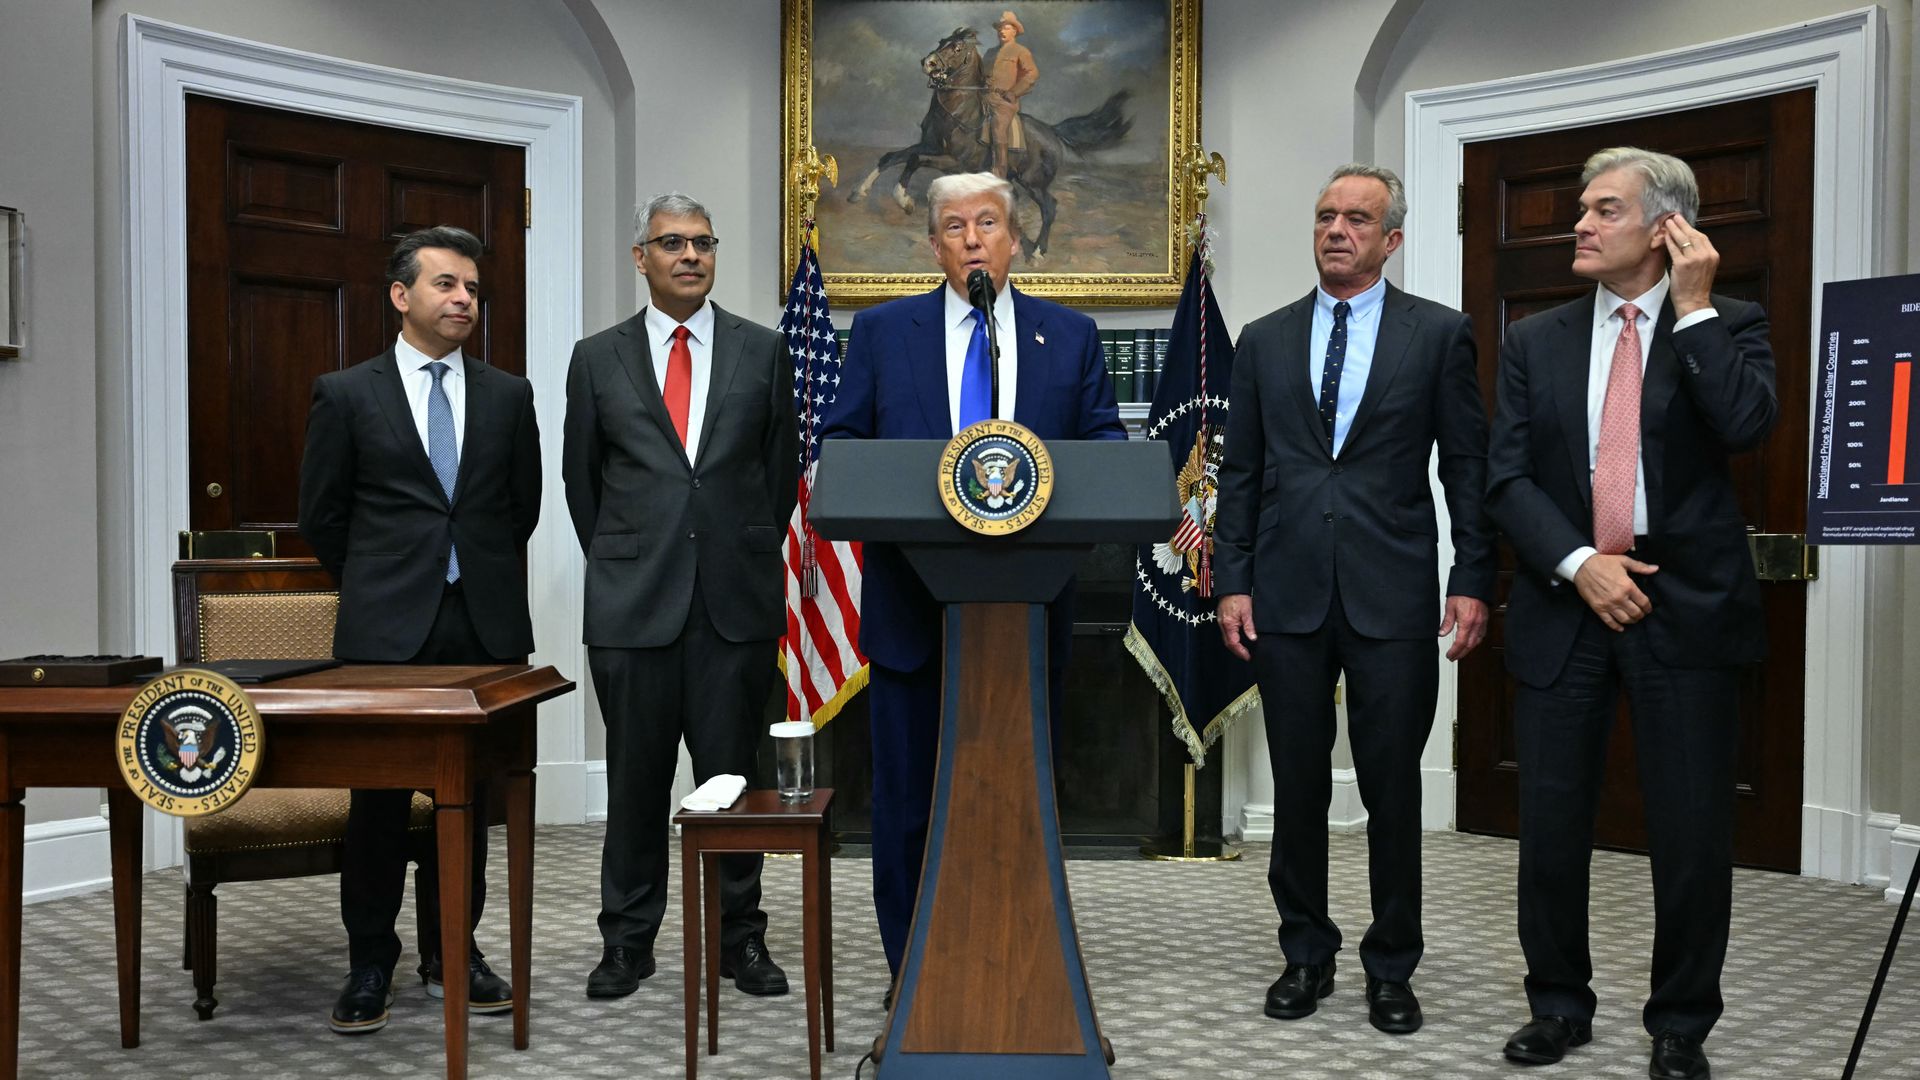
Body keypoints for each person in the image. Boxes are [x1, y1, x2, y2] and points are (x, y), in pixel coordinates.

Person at [1486, 147, 1774, 1080]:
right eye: (1581, 209)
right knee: (1553, 823)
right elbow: (1508, 479)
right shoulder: (1537, 339)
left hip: (1685, 609)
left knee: (1691, 831)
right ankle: (1558, 1007)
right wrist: (1579, 565)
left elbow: (1743, 426)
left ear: (1664, 229)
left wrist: (1691, 311)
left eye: (1603, 210)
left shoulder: (1730, 323)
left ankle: (1681, 1025)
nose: (1579, 223)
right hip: (1566, 604)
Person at [819, 171, 1124, 984]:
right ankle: (912, 972)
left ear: (1015, 238)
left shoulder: (1069, 334)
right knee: (909, 805)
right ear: (934, 245)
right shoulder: (884, 333)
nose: (972, 239)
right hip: (912, 611)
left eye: (987, 223)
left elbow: (1105, 451)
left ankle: (1016, 966)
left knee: (1018, 801)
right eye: (953, 226)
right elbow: (842, 446)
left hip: (1027, 616)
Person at [1213, 164, 1495, 1036]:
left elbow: (1466, 471)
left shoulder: (1439, 335)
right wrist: (1231, 579)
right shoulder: (1262, 338)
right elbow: (1244, 474)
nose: (1338, 229)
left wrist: (1472, 577)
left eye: (1358, 219)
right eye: (1326, 215)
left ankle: (1391, 966)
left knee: (1391, 787)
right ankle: (1306, 952)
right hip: (1286, 597)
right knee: (1297, 784)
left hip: (1391, 596)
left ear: (1392, 239)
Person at [298, 225, 541, 1034]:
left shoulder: (510, 395)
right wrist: (385, 586)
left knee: (465, 801)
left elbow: (520, 511)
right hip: (383, 637)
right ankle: (372, 960)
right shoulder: (347, 392)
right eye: (445, 285)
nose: (463, 299)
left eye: (472, 287)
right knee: (376, 805)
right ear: (402, 296)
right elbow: (324, 518)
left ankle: (453, 951)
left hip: (483, 629)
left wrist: (468, 576)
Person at [562, 192, 799, 1001]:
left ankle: (742, 941)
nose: (690, 255)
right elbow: (582, 486)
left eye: (703, 242)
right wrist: (639, 554)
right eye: (672, 243)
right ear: (642, 259)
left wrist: (726, 545)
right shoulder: (597, 358)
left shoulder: (763, 352)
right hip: (633, 606)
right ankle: (627, 943)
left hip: (734, 603)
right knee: (634, 780)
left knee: (735, 780)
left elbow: (780, 480)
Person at [984, 10, 1038, 178]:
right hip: (984, 97)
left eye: (1006, 28)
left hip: (1004, 102)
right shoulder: (989, 52)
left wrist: (1014, 93)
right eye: (1000, 28)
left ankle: (999, 173)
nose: (1002, 31)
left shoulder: (1021, 51)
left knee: (998, 128)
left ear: (1014, 31)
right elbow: (981, 74)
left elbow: (1032, 74)